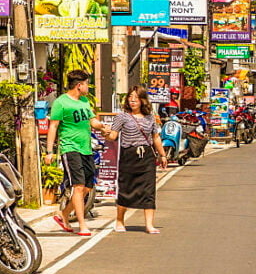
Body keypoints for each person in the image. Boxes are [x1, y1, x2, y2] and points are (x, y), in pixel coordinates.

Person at [45, 70, 110, 236]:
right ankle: (82, 225)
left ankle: (64, 214)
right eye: (87, 84)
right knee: (78, 187)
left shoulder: (84, 101)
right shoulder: (61, 102)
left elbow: (92, 120)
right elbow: (53, 126)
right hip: (70, 148)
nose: (88, 87)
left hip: (86, 149)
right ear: (79, 85)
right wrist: (49, 151)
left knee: (88, 187)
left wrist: (102, 126)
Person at [106, 86, 167, 234]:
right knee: (126, 189)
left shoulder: (150, 118)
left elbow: (155, 137)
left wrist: (163, 155)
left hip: (146, 157)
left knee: (149, 191)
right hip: (128, 156)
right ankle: (119, 220)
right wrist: (105, 133)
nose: (132, 101)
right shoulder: (121, 117)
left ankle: (149, 225)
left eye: (136, 98)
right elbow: (113, 136)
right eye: (130, 97)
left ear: (142, 100)